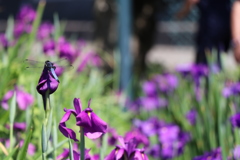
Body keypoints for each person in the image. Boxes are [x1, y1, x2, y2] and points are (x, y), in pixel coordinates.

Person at [177, 0, 231, 68]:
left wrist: (182, 12)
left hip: (209, 28)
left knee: (205, 64)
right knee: (219, 58)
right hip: (225, 24)